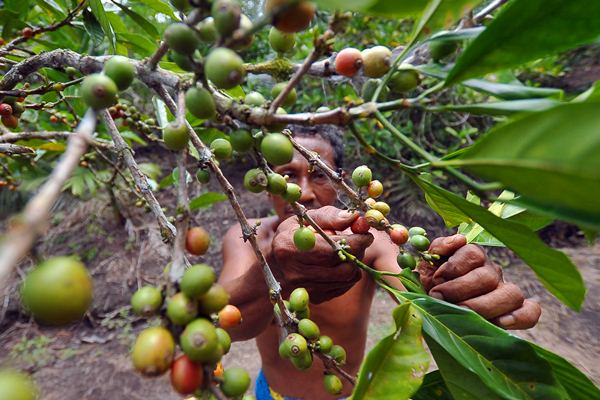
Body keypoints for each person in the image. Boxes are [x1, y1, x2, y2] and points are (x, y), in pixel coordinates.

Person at [219, 125, 541, 400]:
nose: (302, 193)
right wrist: (275, 270)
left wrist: (451, 289)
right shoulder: (246, 237)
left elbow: (423, 297)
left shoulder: (370, 243)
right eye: (287, 175)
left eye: (319, 175)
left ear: (340, 181)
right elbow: (224, 322)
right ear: (266, 185)